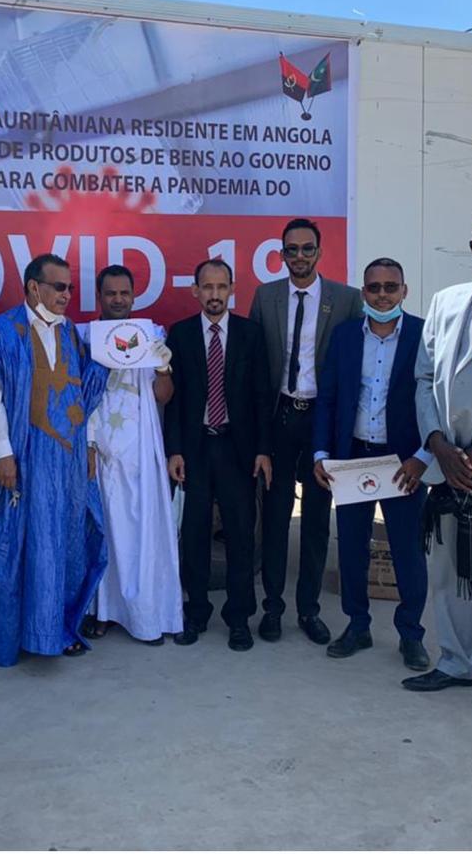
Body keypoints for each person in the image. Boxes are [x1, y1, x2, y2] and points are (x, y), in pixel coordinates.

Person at [0, 254, 108, 667]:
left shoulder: (71, 333)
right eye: (59, 287)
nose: (66, 295)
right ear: (33, 287)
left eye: (70, 288)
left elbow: (83, 398)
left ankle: (56, 630)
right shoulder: (3, 333)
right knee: (16, 548)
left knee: (64, 545)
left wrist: (89, 445)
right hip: (21, 461)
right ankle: (12, 635)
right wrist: (4, 455)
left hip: (66, 464)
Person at [403, 205, 472, 725]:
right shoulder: (446, 302)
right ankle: (455, 661)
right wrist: (438, 444)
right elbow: (425, 379)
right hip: (447, 469)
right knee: (447, 573)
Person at [312, 258, 430, 670]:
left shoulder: (423, 335)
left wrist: (423, 457)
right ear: (364, 292)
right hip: (353, 458)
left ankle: (411, 634)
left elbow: (437, 399)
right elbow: (328, 398)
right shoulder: (345, 336)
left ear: (404, 291)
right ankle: (357, 625)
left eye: (390, 287)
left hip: (403, 462)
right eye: (374, 287)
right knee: (351, 548)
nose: (382, 295)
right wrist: (321, 453)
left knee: (407, 551)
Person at [249, 218, 362, 645]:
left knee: (316, 519)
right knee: (275, 516)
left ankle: (309, 610)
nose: (299, 256)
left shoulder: (346, 299)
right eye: (291, 249)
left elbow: (355, 365)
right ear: (282, 255)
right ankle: (272, 608)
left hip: (322, 421)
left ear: (319, 252)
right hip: (280, 417)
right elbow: (257, 365)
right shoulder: (266, 296)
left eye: (306, 248)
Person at [165, 259, 273, 651]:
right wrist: (174, 450)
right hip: (195, 449)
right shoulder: (180, 334)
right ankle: (195, 612)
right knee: (193, 534)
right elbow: (174, 401)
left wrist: (263, 450)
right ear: (195, 290)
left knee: (240, 535)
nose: (214, 294)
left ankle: (239, 617)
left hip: (236, 448)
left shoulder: (250, 334)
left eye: (221, 287)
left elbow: (262, 396)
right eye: (207, 287)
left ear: (232, 289)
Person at [80, 265, 182, 644]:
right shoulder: (85, 338)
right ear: (99, 297)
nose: (118, 300)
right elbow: (79, 398)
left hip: (142, 450)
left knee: (142, 533)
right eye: (111, 293)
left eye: (124, 293)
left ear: (134, 296)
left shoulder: (150, 335)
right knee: (105, 533)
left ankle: (144, 616)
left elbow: (162, 396)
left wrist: (164, 367)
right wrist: (89, 445)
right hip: (101, 450)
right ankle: (102, 612)